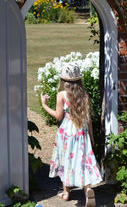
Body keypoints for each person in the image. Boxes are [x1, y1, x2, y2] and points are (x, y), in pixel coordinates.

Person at [40, 63, 102, 206]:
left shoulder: (61, 95)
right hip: (82, 132)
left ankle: (66, 192)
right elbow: (88, 118)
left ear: (63, 80)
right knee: (83, 161)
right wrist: (91, 136)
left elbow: (58, 116)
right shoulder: (83, 94)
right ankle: (87, 190)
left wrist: (44, 105)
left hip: (66, 134)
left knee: (65, 161)